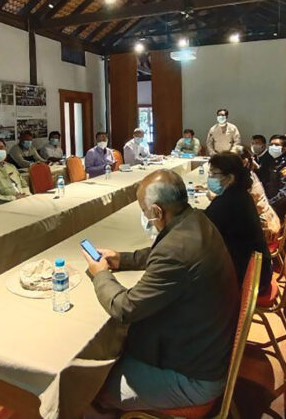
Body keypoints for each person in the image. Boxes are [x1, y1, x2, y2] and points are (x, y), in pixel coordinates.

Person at [83, 170, 239, 412]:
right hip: (206, 349)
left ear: (157, 211)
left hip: (194, 377)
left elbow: (125, 308)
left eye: (144, 211)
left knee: (88, 386)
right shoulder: (196, 219)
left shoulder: (176, 251)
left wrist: (100, 273)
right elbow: (163, 251)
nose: (145, 216)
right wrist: (121, 259)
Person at [204, 152, 271, 290]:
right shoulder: (240, 194)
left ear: (230, 178)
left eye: (214, 174)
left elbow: (203, 229)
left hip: (249, 279)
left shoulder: (228, 201)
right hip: (256, 269)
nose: (210, 178)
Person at [233, 146, 281, 244]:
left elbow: (233, 203)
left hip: (264, 230)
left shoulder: (245, 181)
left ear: (244, 161)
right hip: (269, 222)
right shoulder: (249, 173)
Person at [260, 135, 286, 221]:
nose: (273, 147)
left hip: (276, 208)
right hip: (267, 201)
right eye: (271, 144)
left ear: (284, 149)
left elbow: (284, 194)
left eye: (276, 145)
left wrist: (268, 204)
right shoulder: (272, 162)